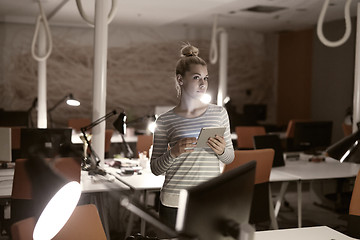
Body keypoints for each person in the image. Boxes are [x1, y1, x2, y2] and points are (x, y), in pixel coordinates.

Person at [150, 43, 234, 228]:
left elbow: (229, 157)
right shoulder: (164, 120)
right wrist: (173, 153)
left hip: (209, 198)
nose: (203, 83)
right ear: (180, 79)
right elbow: (155, 168)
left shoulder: (219, 113)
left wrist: (221, 151)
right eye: (196, 77)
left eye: (205, 78)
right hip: (174, 202)